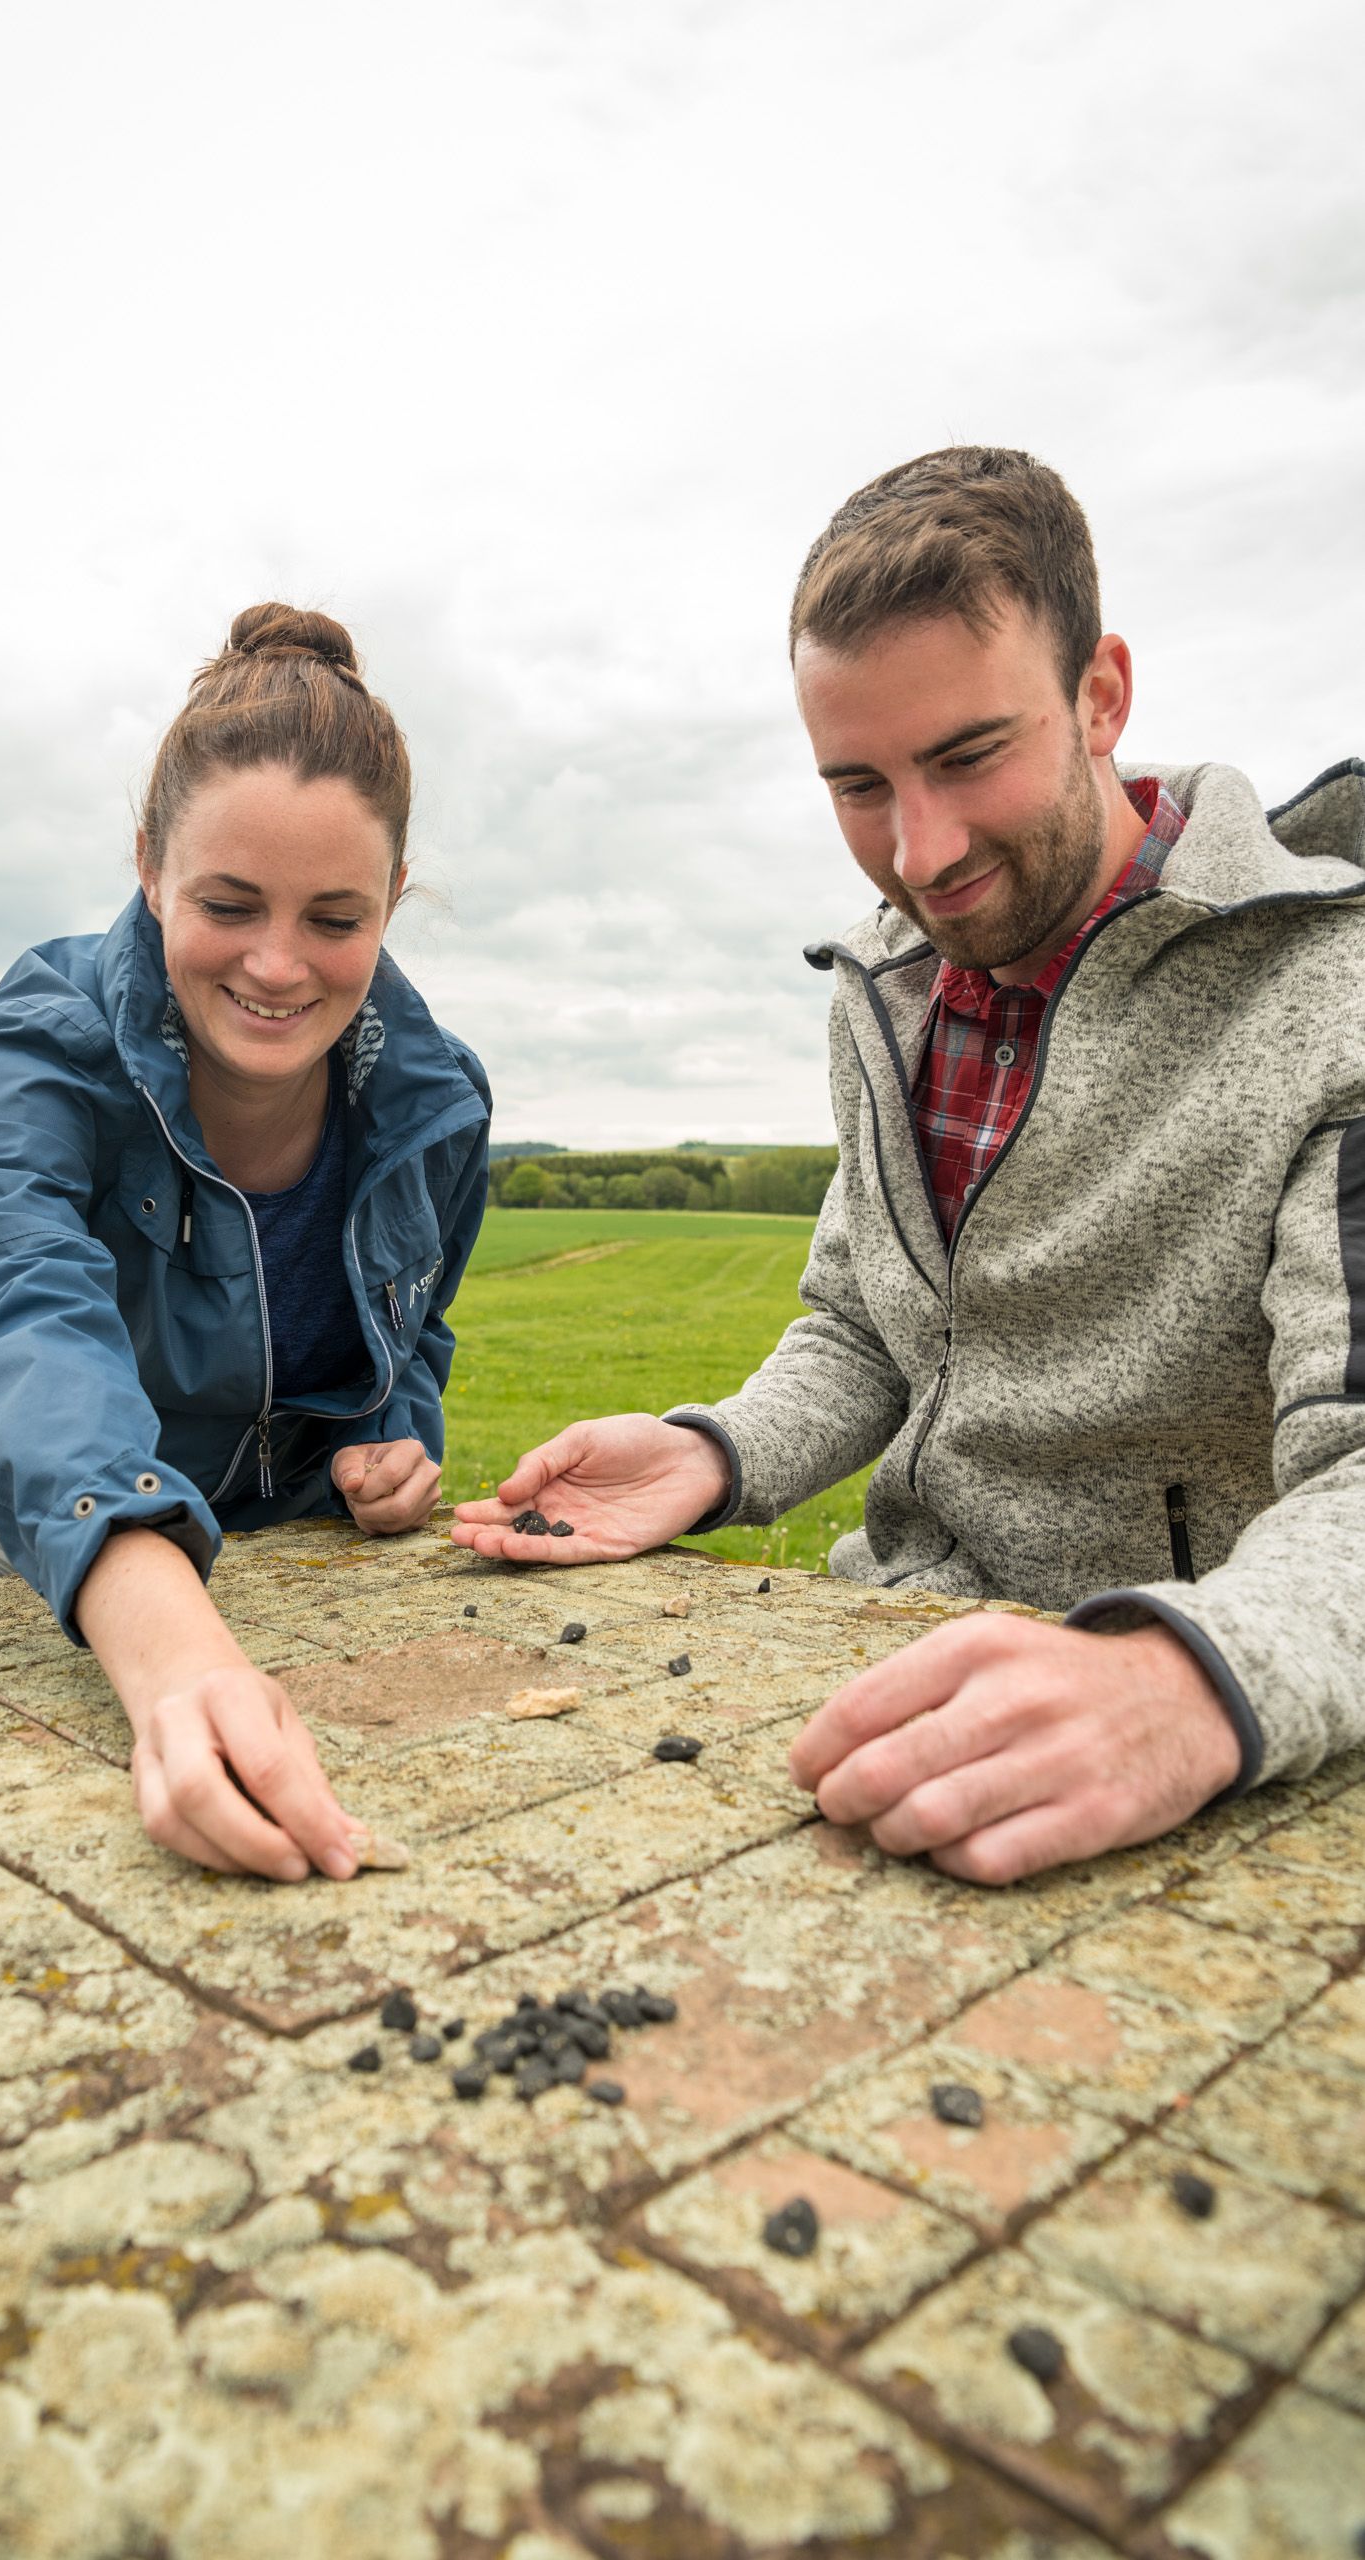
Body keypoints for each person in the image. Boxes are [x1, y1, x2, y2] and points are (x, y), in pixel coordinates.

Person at [454, 446, 1365, 1887]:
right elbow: (866, 1323)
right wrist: (713, 1451)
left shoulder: (1333, 997)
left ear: (1099, 694)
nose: (917, 853)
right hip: (883, 1655)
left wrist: (1179, 1677)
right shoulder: (881, 985)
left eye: (962, 758)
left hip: (1161, 1728)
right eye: (855, 785)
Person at [0, 606, 491, 1884]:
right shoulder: (32, 1042)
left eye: (336, 918)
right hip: (58, 1548)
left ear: (395, 898)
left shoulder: (439, 1099)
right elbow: (4, 1309)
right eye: (229, 903)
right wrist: (166, 1633)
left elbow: (415, 1328)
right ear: (148, 865)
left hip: (289, 1538)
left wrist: (391, 1434)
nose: (279, 964)